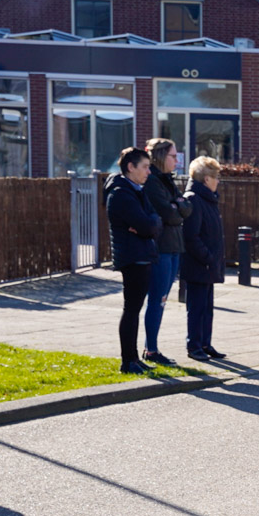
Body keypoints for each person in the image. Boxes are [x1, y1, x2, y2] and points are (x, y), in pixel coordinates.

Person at [106, 146, 162, 374]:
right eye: (145, 167)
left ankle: (134, 358)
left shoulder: (137, 190)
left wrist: (149, 225)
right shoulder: (121, 193)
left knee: (134, 309)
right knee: (131, 309)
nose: (149, 172)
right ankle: (128, 360)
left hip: (142, 254)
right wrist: (148, 226)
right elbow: (147, 225)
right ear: (131, 167)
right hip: (132, 257)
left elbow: (154, 221)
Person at [139, 139, 190, 366]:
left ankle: (152, 347)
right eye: (173, 156)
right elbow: (169, 214)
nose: (177, 161)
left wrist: (177, 206)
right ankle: (151, 349)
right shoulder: (152, 181)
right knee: (157, 299)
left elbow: (186, 208)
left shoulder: (168, 180)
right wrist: (176, 207)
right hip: (161, 248)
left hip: (175, 245)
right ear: (160, 156)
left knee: (162, 299)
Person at [181, 156, 226, 361]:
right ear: (206, 179)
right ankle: (194, 345)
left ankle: (205, 343)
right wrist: (208, 257)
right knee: (197, 308)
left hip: (208, 264)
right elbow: (191, 236)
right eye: (216, 177)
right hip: (199, 264)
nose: (218, 181)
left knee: (207, 308)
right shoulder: (194, 199)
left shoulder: (209, 199)